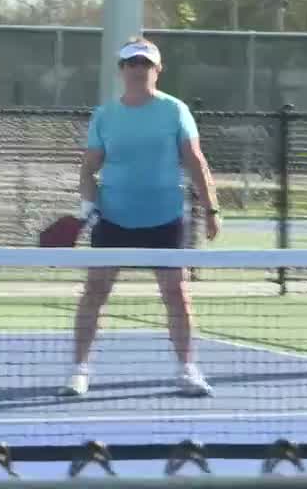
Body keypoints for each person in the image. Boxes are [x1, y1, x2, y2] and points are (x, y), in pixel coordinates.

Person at [60, 36, 221, 398]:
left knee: (177, 294)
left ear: (158, 70)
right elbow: (88, 170)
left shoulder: (174, 111)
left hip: (164, 219)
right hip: (113, 219)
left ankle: (186, 369)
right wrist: (88, 206)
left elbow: (195, 160)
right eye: (131, 63)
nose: (138, 69)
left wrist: (211, 208)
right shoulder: (105, 115)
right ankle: (79, 371)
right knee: (95, 293)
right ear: (121, 71)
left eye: (145, 64)